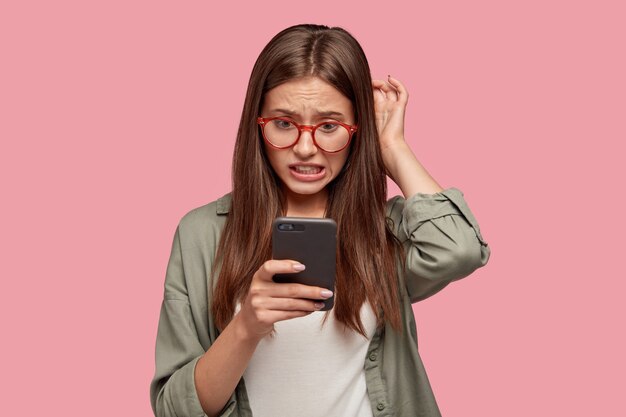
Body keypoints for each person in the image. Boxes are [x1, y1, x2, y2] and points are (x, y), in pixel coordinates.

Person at [150, 23, 490, 417]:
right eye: (283, 124)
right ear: (257, 126)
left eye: (329, 126)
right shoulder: (201, 234)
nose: (306, 148)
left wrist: (392, 147)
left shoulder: (386, 231)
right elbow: (174, 410)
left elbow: (460, 249)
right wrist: (247, 326)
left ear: (356, 129)